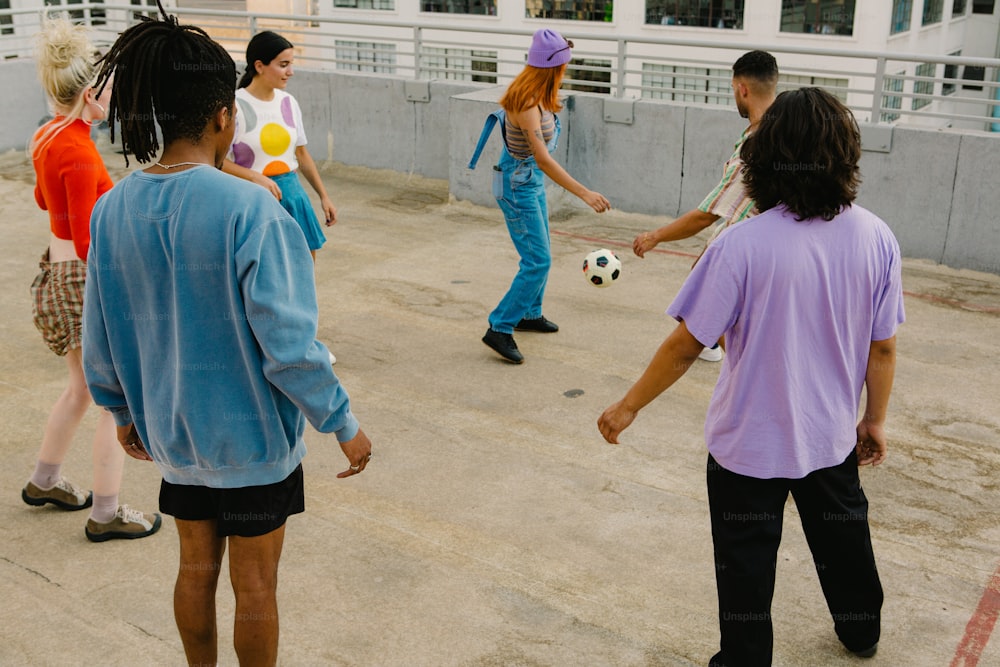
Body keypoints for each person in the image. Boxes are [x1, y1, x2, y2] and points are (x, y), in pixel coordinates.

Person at [82, 4, 372, 664]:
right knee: (256, 584)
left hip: (175, 437)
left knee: (194, 572)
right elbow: (290, 345)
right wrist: (342, 421)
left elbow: (99, 330)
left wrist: (123, 409)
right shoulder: (254, 209)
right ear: (223, 116)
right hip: (255, 447)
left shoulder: (112, 207)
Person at [598, 88, 905, 665]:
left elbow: (687, 345)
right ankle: (862, 632)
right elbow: (883, 346)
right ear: (844, 156)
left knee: (746, 564)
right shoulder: (876, 237)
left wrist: (629, 406)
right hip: (830, 440)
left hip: (747, 450)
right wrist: (875, 420)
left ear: (764, 159)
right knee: (845, 544)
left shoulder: (739, 245)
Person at [21, 17, 160, 543]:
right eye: (105, 87)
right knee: (112, 399)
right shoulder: (78, 150)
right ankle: (106, 513)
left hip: (55, 274)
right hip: (82, 280)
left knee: (80, 390)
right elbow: (89, 241)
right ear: (87, 94)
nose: (112, 94)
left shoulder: (47, 134)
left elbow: (42, 200)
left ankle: (45, 482)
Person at [469, 28, 611, 365]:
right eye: (564, 65)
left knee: (541, 249)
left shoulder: (540, 92)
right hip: (518, 185)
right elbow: (544, 159)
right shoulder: (527, 102)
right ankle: (500, 326)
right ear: (552, 67)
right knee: (538, 260)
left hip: (527, 181)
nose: (567, 71)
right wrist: (584, 193)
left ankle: (530, 313)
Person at [632, 50, 777, 362]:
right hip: (775, 240)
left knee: (706, 280)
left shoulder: (757, 146)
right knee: (705, 269)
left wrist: (655, 236)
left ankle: (736, 359)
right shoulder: (786, 128)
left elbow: (707, 214)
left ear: (743, 89)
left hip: (754, 247)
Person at [223, 30, 339, 364]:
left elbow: (302, 155)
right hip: (253, 200)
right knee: (265, 280)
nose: (290, 72)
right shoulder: (235, 105)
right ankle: (262, 345)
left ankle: (305, 343)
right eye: (283, 64)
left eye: (291, 64)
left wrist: (324, 196)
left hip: (292, 195)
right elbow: (218, 160)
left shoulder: (289, 102)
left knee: (302, 277)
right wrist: (255, 177)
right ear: (259, 65)